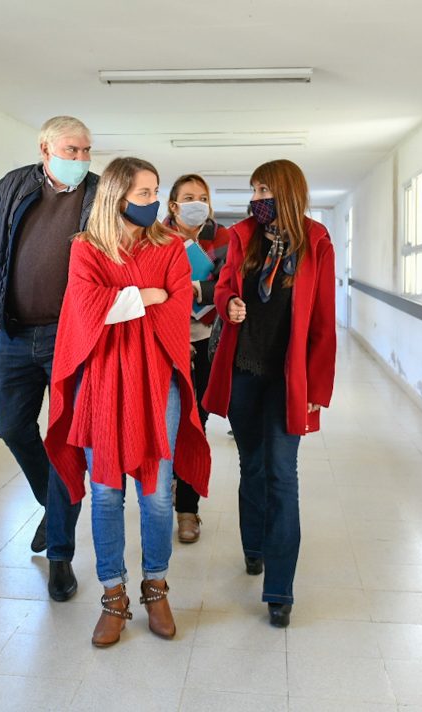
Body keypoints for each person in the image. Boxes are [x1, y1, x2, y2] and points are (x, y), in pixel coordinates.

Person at [44, 157, 211, 647]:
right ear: (117, 196)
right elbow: (87, 309)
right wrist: (146, 296)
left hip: (159, 382)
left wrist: (130, 301)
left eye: (156, 191)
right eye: (144, 193)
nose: (154, 201)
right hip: (101, 384)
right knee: (106, 493)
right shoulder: (85, 250)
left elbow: (179, 309)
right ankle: (113, 595)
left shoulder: (170, 249)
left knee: (158, 494)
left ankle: (155, 587)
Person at [203, 159, 336, 629]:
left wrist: (318, 386)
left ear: (289, 192)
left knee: (283, 474)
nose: (258, 196)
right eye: (254, 188)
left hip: (289, 378)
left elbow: (322, 319)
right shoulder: (242, 236)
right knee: (251, 464)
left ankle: (280, 589)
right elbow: (222, 288)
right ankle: (253, 547)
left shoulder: (316, 241)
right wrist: (230, 303)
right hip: (244, 371)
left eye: (266, 188)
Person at [0, 116, 98, 602]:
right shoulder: (11, 187)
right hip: (15, 335)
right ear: (46, 149)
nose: (81, 159)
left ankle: (61, 556)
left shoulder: (100, 194)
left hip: (72, 338)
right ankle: (54, 499)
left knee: (66, 440)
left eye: (87, 151)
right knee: (11, 427)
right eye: (72, 149)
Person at [162, 173, 230, 543]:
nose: (196, 202)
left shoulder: (222, 238)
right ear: (173, 205)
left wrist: (193, 288)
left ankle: (188, 509)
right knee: (164, 423)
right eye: (188, 196)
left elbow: (227, 283)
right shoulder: (154, 237)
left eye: (202, 196)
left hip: (205, 338)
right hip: (163, 341)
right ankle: (169, 483)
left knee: (194, 422)